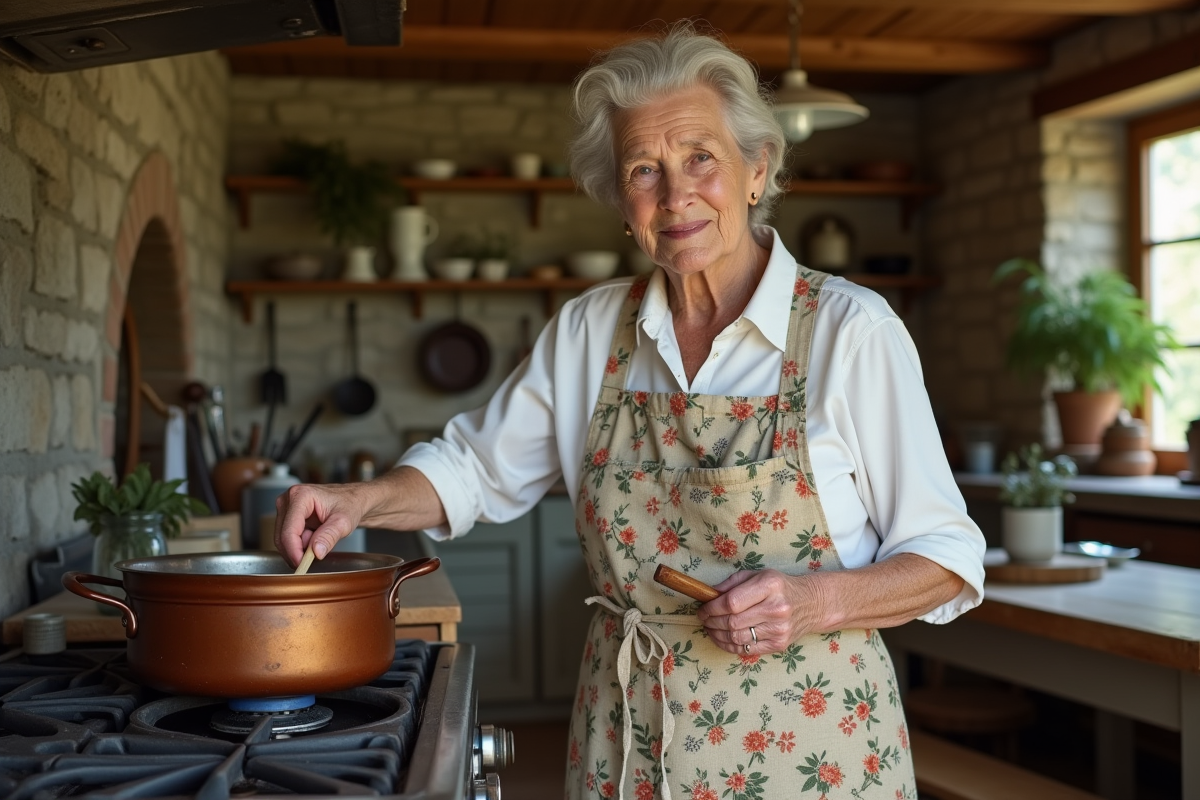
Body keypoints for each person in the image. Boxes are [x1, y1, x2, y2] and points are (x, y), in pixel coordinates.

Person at [275, 24, 985, 800]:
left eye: (701, 159)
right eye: (644, 169)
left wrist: (819, 601)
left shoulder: (852, 331)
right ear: (621, 201)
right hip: (627, 737)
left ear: (758, 169)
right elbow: (473, 469)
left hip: (813, 751)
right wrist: (359, 500)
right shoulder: (587, 330)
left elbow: (947, 558)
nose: (676, 195)